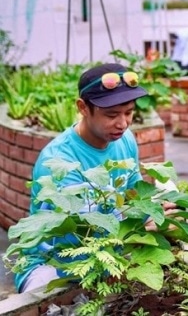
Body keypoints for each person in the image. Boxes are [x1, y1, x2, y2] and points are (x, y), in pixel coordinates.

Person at [15, 63, 149, 293]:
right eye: (112, 115)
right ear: (83, 107)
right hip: (52, 264)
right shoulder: (58, 162)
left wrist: (152, 213)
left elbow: (134, 197)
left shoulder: (125, 140)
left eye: (129, 112)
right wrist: (142, 230)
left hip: (109, 251)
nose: (123, 123)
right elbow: (73, 242)